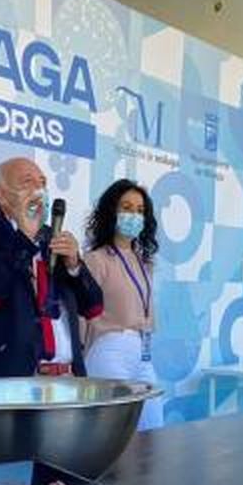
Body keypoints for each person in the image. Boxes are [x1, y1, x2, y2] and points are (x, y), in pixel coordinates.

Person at [0, 157, 103, 379]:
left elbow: (94, 308)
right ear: (0, 196)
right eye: (27, 182)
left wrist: (74, 265)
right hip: (9, 383)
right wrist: (23, 240)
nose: (38, 190)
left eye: (42, 183)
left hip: (68, 380)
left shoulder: (54, 237)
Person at [80, 179, 162, 428]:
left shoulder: (143, 261)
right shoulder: (96, 259)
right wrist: (76, 361)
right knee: (116, 430)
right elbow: (83, 313)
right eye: (126, 208)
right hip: (109, 348)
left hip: (142, 351)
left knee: (153, 425)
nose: (134, 215)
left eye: (140, 210)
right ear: (111, 212)